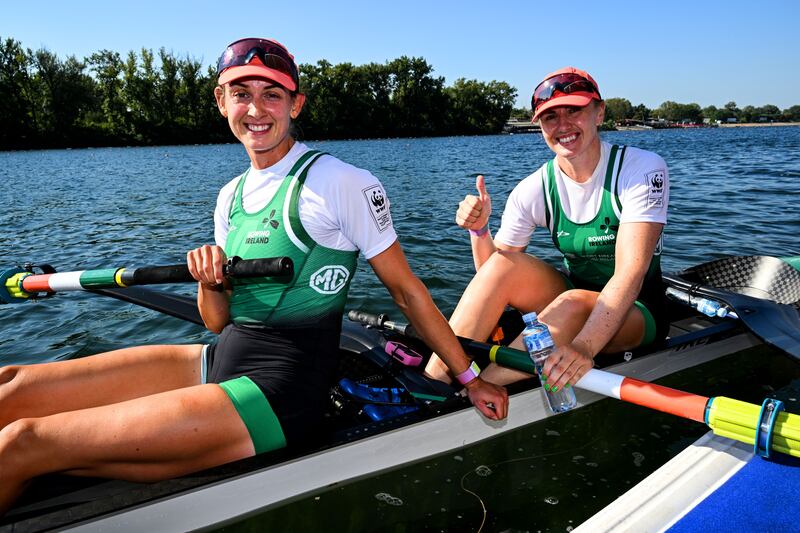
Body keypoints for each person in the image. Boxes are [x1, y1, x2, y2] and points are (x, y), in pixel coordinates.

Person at [0, 37, 507, 514]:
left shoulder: (341, 181)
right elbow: (217, 321)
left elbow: (406, 290)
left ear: (296, 104)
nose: (256, 109)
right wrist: (209, 280)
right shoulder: (230, 195)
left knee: (22, 443)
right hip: (225, 354)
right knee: (11, 386)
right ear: (221, 101)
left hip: (283, 387)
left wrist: (467, 376)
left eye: (272, 95)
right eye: (241, 94)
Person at [425, 67, 669, 393]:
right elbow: (492, 279)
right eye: (550, 117)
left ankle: (469, 395)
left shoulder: (640, 169)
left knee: (570, 304)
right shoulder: (533, 188)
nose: (563, 125)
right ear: (540, 126)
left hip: (638, 309)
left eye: (574, 110)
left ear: (599, 113)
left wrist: (583, 348)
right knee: (506, 265)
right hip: (573, 294)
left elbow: (630, 272)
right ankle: (432, 383)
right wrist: (480, 232)